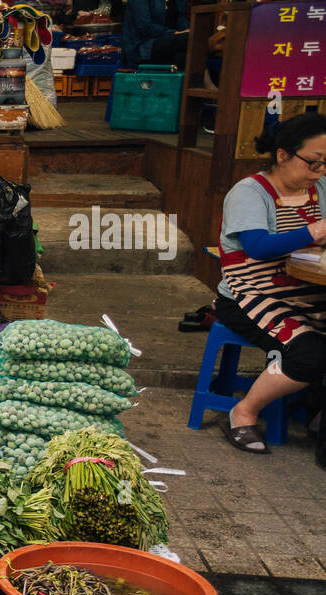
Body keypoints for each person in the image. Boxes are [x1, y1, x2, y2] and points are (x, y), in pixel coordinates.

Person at [214, 113, 326, 453]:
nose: (319, 172)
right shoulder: (249, 193)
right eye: (313, 163)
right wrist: (315, 231)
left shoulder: (319, 187)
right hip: (249, 295)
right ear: (282, 155)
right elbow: (258, 247)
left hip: (307, 290)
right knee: (310, 351)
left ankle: (313, 413)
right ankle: (244, 411)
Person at [122, 0, 189, 68]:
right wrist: (174, 33)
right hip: (145, 45)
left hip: (171, 42)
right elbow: (144, 27)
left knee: (188, 55)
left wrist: (186, 30)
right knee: (188, 39)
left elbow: (181, 19)